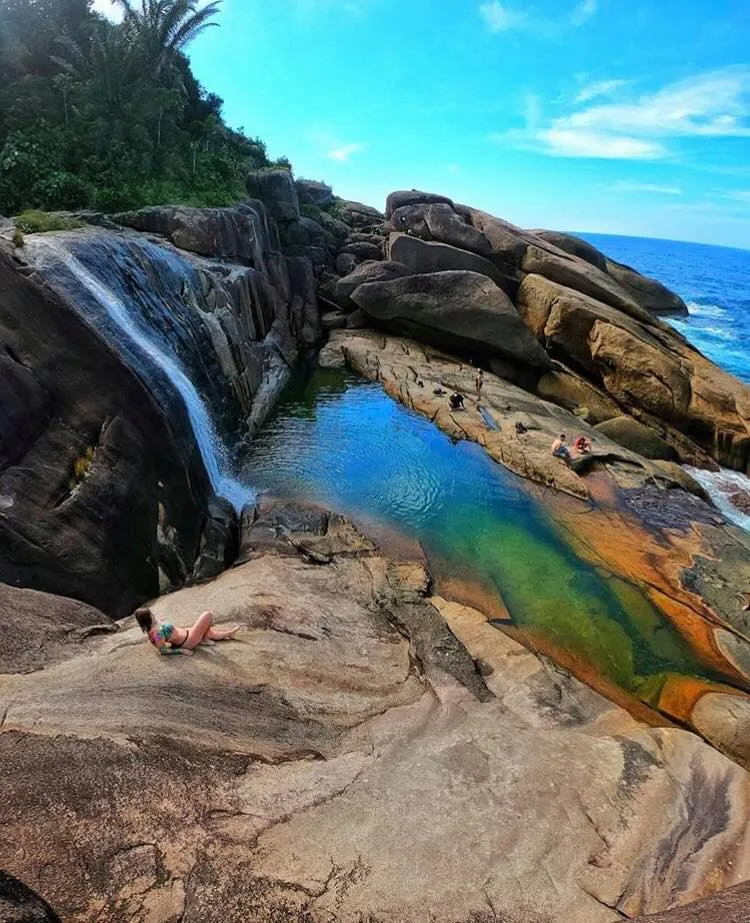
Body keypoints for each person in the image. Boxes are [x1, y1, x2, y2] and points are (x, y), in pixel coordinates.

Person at [135, 606, 239, 656]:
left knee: (209, 632)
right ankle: (204, 639)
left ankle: (229, 634)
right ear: (147, 619)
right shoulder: (156, 633)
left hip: (187, 633)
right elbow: (162, 650)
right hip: (188, 640)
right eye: (151, 615)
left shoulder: (153, 628)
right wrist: (181, 651)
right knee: (208, 614)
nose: (153, 615)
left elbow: (155, 641)